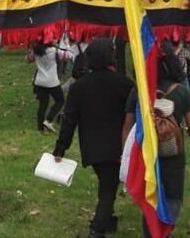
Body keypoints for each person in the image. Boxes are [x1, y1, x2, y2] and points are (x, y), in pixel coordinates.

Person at [53, 38, 134, 237]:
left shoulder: (79, 87)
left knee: (107, 183)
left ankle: (108, 219)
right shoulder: (125, 84)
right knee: (108, 187)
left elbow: (69, 119)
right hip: (118, 145)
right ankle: (97, 230)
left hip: (91, 146)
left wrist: (61, 147)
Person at [123, 41, 190, 237]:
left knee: (150, 197)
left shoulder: (138, 92)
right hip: (173, 154)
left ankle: (150, 231)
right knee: (172, 197)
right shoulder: (182, 91)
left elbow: (127, 126)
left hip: (146, 154)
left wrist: (126, 156)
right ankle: (164, 231)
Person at [26, 40, 72, 133]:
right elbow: (69, 55)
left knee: (43, 105)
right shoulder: (54, 51)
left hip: (39, 81)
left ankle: (40, 128)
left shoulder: (36, 51)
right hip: (52, 82)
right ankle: (48, 120)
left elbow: (28, 60)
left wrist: (30, 51)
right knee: (60, 100)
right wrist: (67, 46)